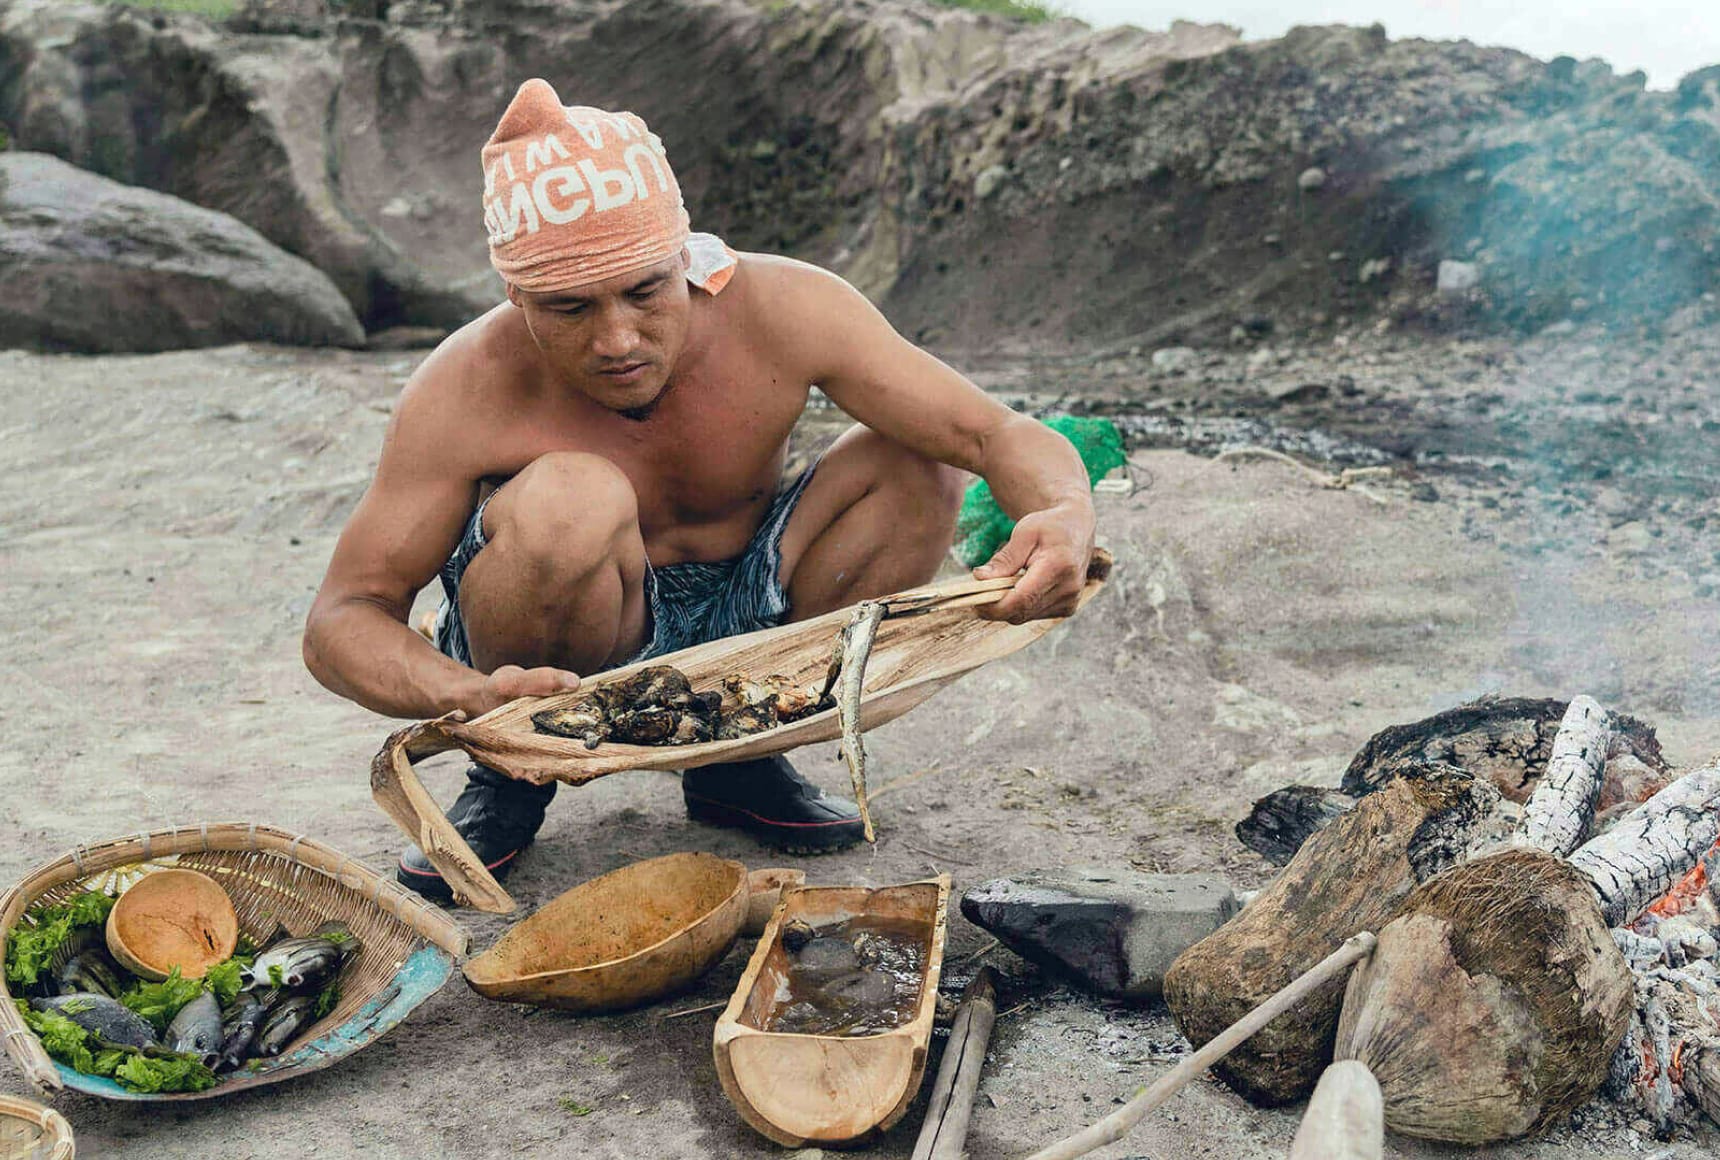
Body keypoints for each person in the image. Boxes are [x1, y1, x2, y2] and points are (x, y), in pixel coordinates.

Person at [302, 79, 1096, 902]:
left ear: (686, 259)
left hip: (751, 620)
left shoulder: (788, 306)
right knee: (573, 498)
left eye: (645, 292)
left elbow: (990, 433)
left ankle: (742, 764)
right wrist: (467, 698)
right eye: (569, 308)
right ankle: (512, 779)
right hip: (554, 655)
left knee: (917, 461)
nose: (617, 340)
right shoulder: (464, 385)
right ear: (516, 296)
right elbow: (342, 618)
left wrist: (1064, 514)